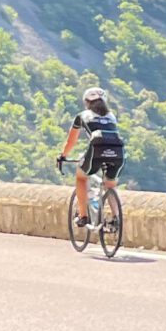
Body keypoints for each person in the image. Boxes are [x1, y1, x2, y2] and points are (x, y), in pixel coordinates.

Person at [55, 86, 125, 228]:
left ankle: (83, 216)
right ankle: (116, 218)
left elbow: (71, 141)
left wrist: (63, 155)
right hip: (118, 152)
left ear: (86, 102)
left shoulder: (83, 116)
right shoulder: (112, 116)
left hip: (97, 150)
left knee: (81, 177)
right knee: (110, 185)